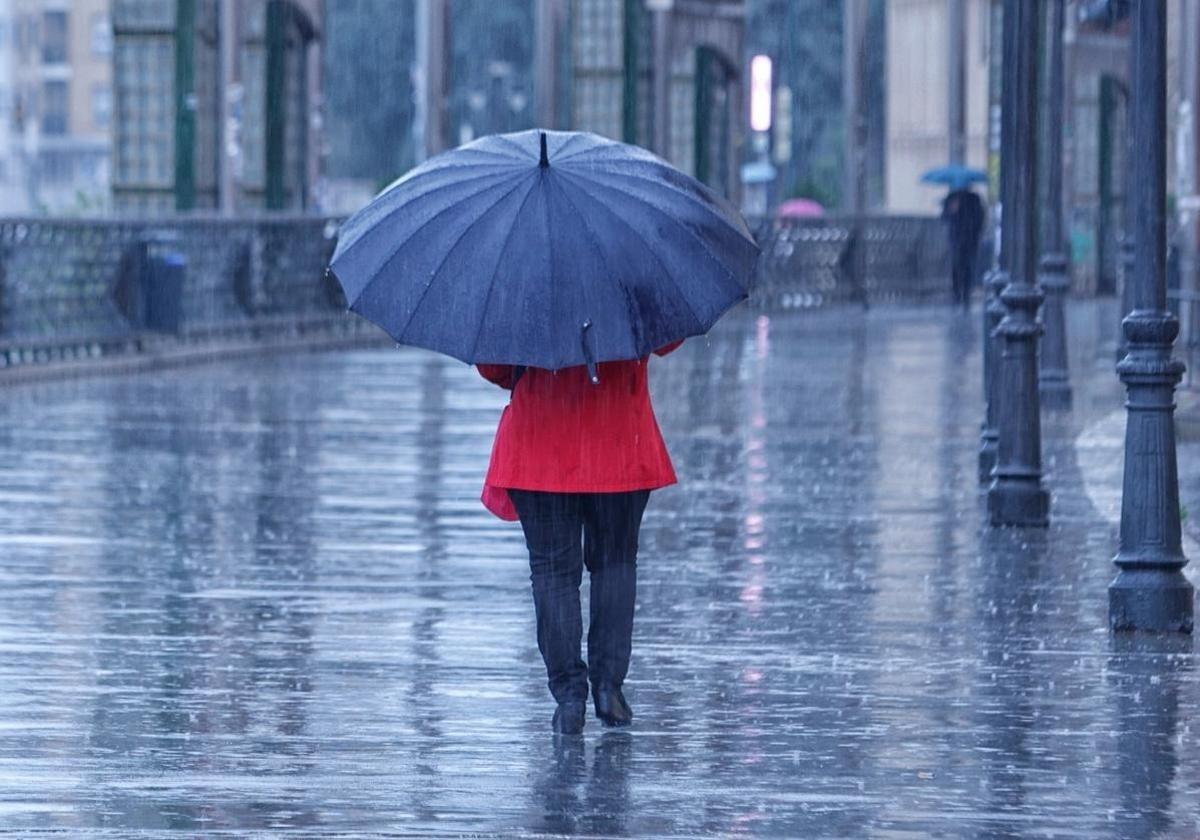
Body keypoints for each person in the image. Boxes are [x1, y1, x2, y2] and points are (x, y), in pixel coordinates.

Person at [477, 340, 682, 735]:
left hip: (541, 443)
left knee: (553, 573)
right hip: (620, 439)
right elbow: (666, 336)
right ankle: (608, 687)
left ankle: (570, 698)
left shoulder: (523, 282)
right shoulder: (629, 277)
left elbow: (493, 366)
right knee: (615, 563)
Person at [941, 187, 986, 308]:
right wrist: (952, 210)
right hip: (956, 238)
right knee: (956, 265)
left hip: (970, 238)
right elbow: (944, 217)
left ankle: (966, 294)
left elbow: (980, 217)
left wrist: (975, 231)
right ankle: (956, 294)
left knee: (967, 266)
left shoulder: (974, 198)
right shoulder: (951, 197)